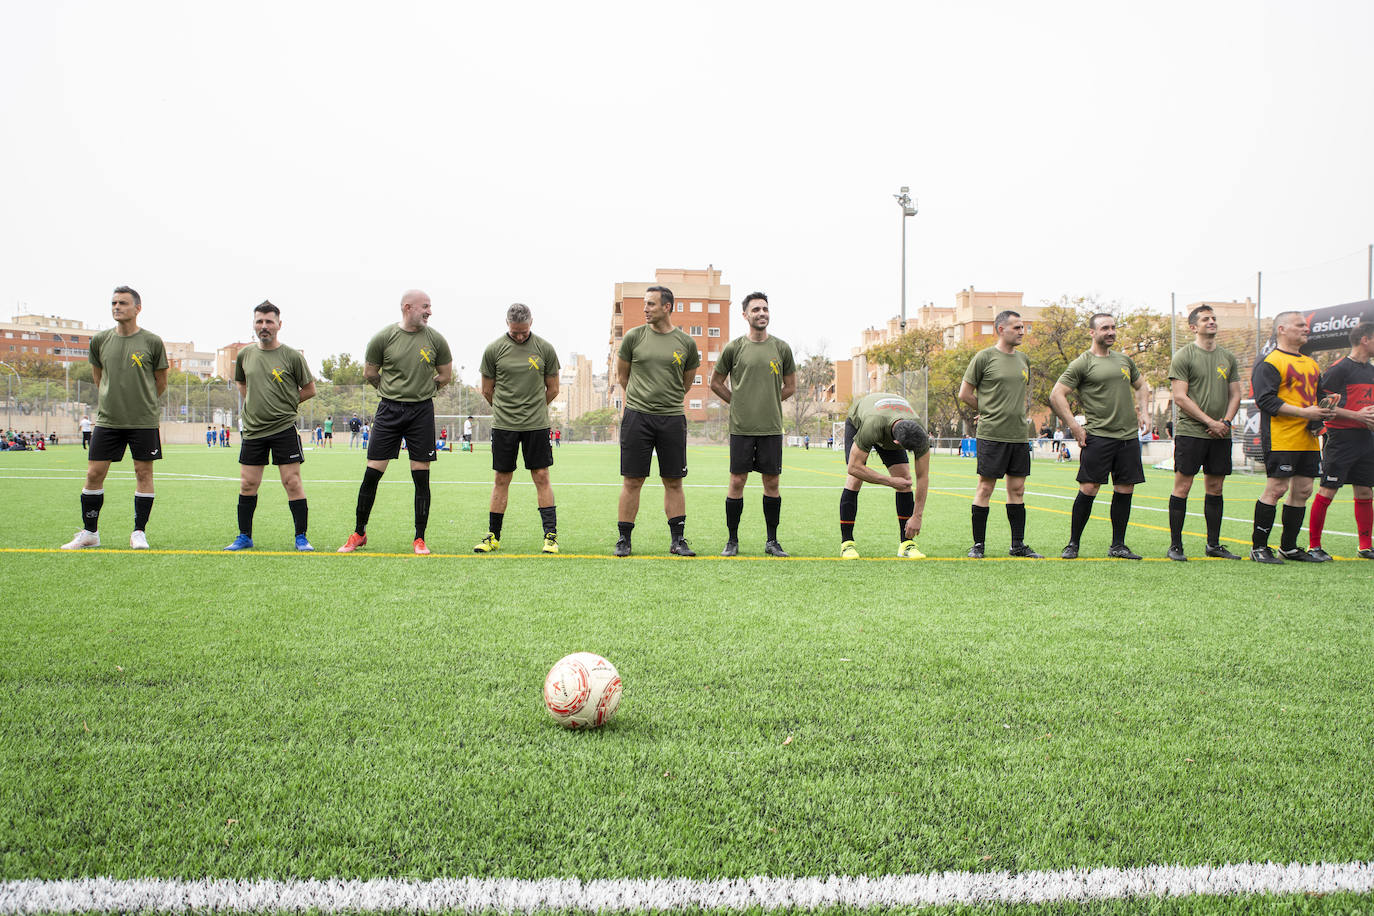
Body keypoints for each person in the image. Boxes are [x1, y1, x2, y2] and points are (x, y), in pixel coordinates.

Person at [338, 290, 452, 555]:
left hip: (421, 412)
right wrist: (391, 391)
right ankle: (359, 533)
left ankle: (419, 538)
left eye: (430, 307)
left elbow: (444, 375)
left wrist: (422, 390)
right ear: (407, 307)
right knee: (372, 474)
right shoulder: (383, 337)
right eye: (425, 307)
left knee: (421, 477)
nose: (429, 312)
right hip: (388, 411)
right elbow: (370, 372)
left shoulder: (436, 339)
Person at [61, 286, 167, 550]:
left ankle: (139, 532)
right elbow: (99, 377)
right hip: (108, 420)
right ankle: (90, 533)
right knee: (94, 473)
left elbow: (160, 382)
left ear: (137, 308)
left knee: (143, 472)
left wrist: (142, 402)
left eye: (122, 303)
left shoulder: (152, 342)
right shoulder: (99, 341)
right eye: (113, 303)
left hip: (143, 420)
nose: (117, 307)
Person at [1049, 312, 1151, 559]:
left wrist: (1144, 413)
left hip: (1127, 437)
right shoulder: (1082, 363)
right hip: (1098, 436)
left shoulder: (1125, 360)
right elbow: (1056, 395)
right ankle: (1073, 544)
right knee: (1089, 487)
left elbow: (1142, 386)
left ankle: (1118, 545)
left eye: (1114, 327)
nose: (1111, 332)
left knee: (1125, 488)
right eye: (1105, 328)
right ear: (1092, 333)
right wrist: (1074, 426)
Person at [614, 285, 701, 557]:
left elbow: (686, 383)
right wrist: (643, 402)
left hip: (672, 418)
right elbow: (622, 377)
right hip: (637, 417)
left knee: (674, 481)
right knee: (632, 481)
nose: (645, 309)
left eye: (651, 304)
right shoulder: (633, 337)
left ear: (667, 307)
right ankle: (624, 540)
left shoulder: (686, 343)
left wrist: (666, 400)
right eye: (645, 304)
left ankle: (678, 540)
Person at [223, 300, 317, 552]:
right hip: (253, 431)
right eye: (259, 322)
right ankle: (244, 536)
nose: (264, 326)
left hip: (283, 428)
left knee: (292, 482)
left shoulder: (291, 356)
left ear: (279, 325)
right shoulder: (245, 355)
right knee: (247, 484)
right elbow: (242, 384)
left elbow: (309, 389)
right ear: (254, 324)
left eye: (269, 322)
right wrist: (255, 403)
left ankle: (301, 537)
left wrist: (284, 403)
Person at [708, 291, 797, 557]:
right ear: (745, 315)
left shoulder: (781, 348)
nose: (761, 314)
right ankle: (732, 541)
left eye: (765, 309)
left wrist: (768, 400)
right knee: (737, 482)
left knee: (772, 483)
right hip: (741, 428)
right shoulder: (734, 348)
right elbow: (715, 382)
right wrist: (737, 402)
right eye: (756, 309)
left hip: (770, 428)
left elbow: (790, 386)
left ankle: (772, 541)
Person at [473, 303, 561, 554]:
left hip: (536, 426)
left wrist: (534, 409)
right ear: (507, 324)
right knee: (502, 478)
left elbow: (553, 388)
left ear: (531, 323)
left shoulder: (544, 348)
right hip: (504, 426)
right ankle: (493, 536)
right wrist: (506, 410)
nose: (520, 336)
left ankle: (550, 537)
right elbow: (487, 390)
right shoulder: (493, 350)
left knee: (541, 477)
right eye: (515, 332)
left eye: (523, 331)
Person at [1248, 311, 1334, 563]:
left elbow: (1317, 398)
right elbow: (1265, 400)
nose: (1306, 329)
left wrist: (1324, 408)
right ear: (1281, 329)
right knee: (1276, 488)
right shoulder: (1270, 361)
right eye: (1300, 325)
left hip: (1306, 438)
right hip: (1281, 436)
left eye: (1305, 326)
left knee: (1304, 490)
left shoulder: (1311, 363)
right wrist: (1304, 412)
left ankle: (1290, 547)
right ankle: (1259, 547)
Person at [958, 309, 1043, 558]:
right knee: (985, 488)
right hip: (992, 434)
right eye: (1016, 327)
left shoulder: (1024, 359)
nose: (1021, 331)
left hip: (1018, 435)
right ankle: (978, 545)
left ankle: (1017, 545)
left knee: (1017, 489)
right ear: (1000, 329)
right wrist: (986, 409)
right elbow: (965, 394)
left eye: (1023, 327)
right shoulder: (984, 357)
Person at [1165, 304, 1242, 561]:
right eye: (1206, 319)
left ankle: (1213, 545)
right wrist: (1210, 421)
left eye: (1214, 318)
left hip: (1221, 434)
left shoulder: (1228, 358)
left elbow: (1236, 394)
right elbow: (1180, 397)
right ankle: (1176, 546)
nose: (1212, 322)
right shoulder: (1184, 356)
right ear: (1193, 327)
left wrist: (1226, 422)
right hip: (1191, 432)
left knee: (1216, 488)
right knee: (1183, 486)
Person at [1306, 322, 1374, 560]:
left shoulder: (1371, 371)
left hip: (1366, 438)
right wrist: (1357, 416)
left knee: (1365, 491)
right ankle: (1314, 546)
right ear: (1365, 340)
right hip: (1340, 438)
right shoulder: (1338, 370)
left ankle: (1365, 546)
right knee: (1328, 490)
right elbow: (1324, 407)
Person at [838, 392, 931, 559]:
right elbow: (854, 467)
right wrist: (890, 481)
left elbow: (923, 476)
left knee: (904, 478)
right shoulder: (872, 425)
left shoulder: (920, 432)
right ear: (896, 443)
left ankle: (906, 544)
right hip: (860, 421)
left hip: (890, 421)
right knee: (855, 479)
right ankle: (847, 543)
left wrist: (917, 515)